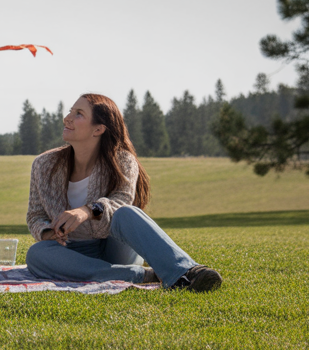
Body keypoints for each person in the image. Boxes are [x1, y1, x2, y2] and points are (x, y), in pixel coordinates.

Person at [24, 93, 223, 291]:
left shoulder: (123, 161)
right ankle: (143, 275)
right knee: (36, 254)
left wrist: (86, 210)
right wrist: (48, 231)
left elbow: (121, 201)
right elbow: (36, 214)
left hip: (116, 246)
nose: (67, 118)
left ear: (98, 129)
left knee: (127, 212)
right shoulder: (44, 164)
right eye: (70, 111)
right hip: (71, 251)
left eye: (78, 114)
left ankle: (186, 272)